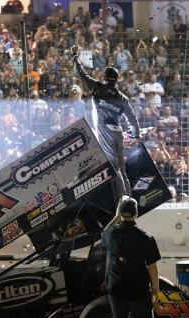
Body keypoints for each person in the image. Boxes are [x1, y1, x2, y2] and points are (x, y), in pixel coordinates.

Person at [101, 196, 160, 318]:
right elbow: (152, 267)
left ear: (121, 213)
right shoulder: (145, 237)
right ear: (136, 213)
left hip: (116, 288)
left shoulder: (111, 234)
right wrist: (156, 290)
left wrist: (116, 216)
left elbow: (104, 231)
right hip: (138, 289)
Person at [71, 45, 141, 201]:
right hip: (119, 133)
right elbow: (132, 118)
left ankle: (122, 202)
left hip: (106, 134)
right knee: (122, 169)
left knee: (114, 169)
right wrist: (136, 134)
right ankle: (129, 201)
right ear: (116, 79)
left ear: (104, 76)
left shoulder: (97, 88)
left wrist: (75, 56)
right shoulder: (122, 98)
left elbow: (82, 75)